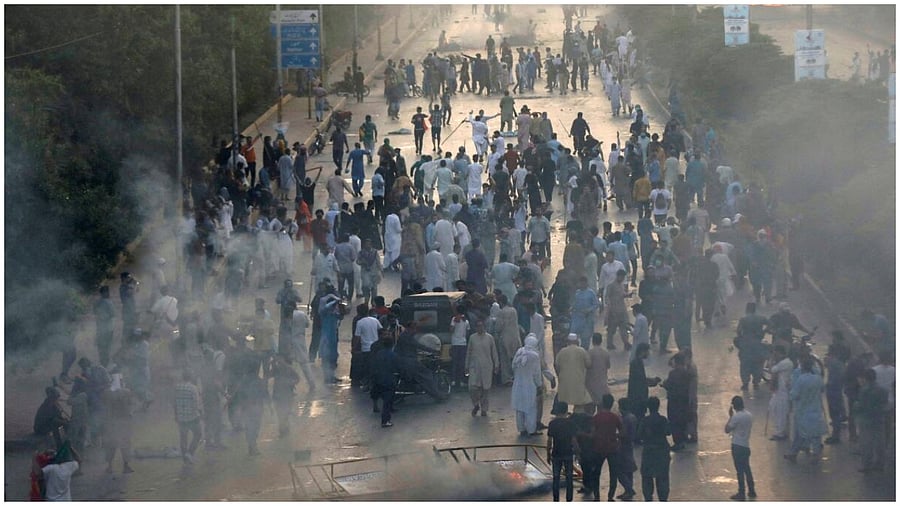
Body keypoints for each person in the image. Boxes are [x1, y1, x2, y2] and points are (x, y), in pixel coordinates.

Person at [784, 356, 827, 464]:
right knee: (815, 434)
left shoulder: (801, 379)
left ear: (802, 367)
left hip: (802, 411)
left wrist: (789, 389)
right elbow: (822, 389)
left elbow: (794, 395)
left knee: (800, 433)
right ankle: (815, 453)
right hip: (816, 410)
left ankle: (793, 453)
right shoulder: (818, 378)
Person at [589, 394, 624, 501]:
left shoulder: (596, 417)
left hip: (598, 448)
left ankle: (597, 496)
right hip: (612, 448)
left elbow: (592, 434)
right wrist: (617, 440)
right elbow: (622, 432)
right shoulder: (615, 417)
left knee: (596, 473)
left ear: (602, 403)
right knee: (613, 473)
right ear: (612, 404)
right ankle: (610, 496)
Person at [853, 368, 888, 473]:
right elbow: (885, 403)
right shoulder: (883, 390)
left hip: (866, 419)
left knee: (866, 444)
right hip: (879, 418)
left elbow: (861, 406)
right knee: (880, 443)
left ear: (865, 378)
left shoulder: (864, 390)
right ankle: (880, 464)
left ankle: (866, 465)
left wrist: (855, 406)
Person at [725, 395, 756, 500]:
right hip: (746, 445)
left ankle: (741, 492)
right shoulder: (749, 415)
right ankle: (752, 490)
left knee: (739, 470)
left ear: (734, 406)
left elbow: (727, 429)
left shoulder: (736, 417)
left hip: (737, 445)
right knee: (747, 468)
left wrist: (730, 416)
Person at [512, 334, 544, 436]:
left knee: (519, 408)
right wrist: (539, 385)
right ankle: (531, 430)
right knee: (530, 408)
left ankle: (522, 429)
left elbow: (513, 366)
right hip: (529, 386)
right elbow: (537, 373)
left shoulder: (519, 352)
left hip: (518, 384)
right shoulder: (534, 356)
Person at [466, 319, 499, 416]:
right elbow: (468, 352)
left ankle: (484, 409)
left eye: (481, 326)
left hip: (487, 367)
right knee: (472, 388)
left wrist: (496, 365)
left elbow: (494, 352)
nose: (480, 328)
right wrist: (466, 365)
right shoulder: (472, 338)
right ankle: (476, 404)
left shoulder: (489, 338)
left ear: (484, 327)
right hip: (474, 367)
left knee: (485, 389)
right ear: (476, 328)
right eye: (478, 326)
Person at [547, 401, 577, 502]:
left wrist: (548, 454)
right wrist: (577, 452)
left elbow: (549, 441)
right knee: (569, 478)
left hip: (556, 454)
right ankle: (569, 499)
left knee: (556, 478)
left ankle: (556, 499)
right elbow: (573, 440)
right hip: (568, 453)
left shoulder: (552, 424)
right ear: (565, 411)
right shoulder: (570, 423)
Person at [555, 333, 593, 411]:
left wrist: (560, 376)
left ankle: (563, 417)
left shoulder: (562, 351)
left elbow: (556, 365)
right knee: (579, 403)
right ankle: (577, 417)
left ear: (567, 341)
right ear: (577, 341)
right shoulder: (582, 351)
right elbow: (589, 364)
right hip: (578, 380)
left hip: (564, 382)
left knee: (563, 402)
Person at [661, 352, 691, 451]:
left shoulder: (673, 373)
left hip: (674, 400)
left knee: (674, 421)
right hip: (684, 400)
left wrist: (664, 384)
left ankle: (678, 442)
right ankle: (683, 439)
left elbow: (669, 385)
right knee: (682, 420)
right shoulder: (686, 372)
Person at [173, 370, 203, 466]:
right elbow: (196, 404)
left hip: (181, 417)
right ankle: (190, 453)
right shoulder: (193, 388)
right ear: (191, 377)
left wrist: (176, 415)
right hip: (192, 417)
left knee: (183, 438)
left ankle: (185, 459)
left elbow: (174, 403)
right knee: (198, 434)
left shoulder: (177, 388)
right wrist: (200, 414)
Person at [627, 342, 661, 417]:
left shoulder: (638, 362)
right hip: (637, 398)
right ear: (642, 351)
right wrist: (653, 381)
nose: (648, 354)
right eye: (647, 351)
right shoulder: (636, 363)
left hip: (638, 397)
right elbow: (640, 380)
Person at [615, 398, 639, 500]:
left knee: (619, 470)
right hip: (630, 444)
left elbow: (623, 433)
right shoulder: (632, 417)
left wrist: (614, 435)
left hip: (623, 445)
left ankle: (629, 489)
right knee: (628, 470)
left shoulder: (625, 419)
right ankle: (628, 490)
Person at [585, 333, 611, 407]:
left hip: (591, 381)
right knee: (601, 405)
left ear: (593, 341)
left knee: (591, 404)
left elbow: (587, 365)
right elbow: (608, 366)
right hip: (602, 381)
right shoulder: (606, 353)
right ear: (601, 341)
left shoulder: (589, 352)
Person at [94, 286, 115, 367]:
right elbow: (113, 314)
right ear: (106, 293)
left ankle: (102, 362)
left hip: (100, 328)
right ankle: (105, 364)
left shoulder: (97, 302)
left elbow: (95, 312)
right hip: (108, 328)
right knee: (107, 347)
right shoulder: (108, 302)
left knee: (101, 346)